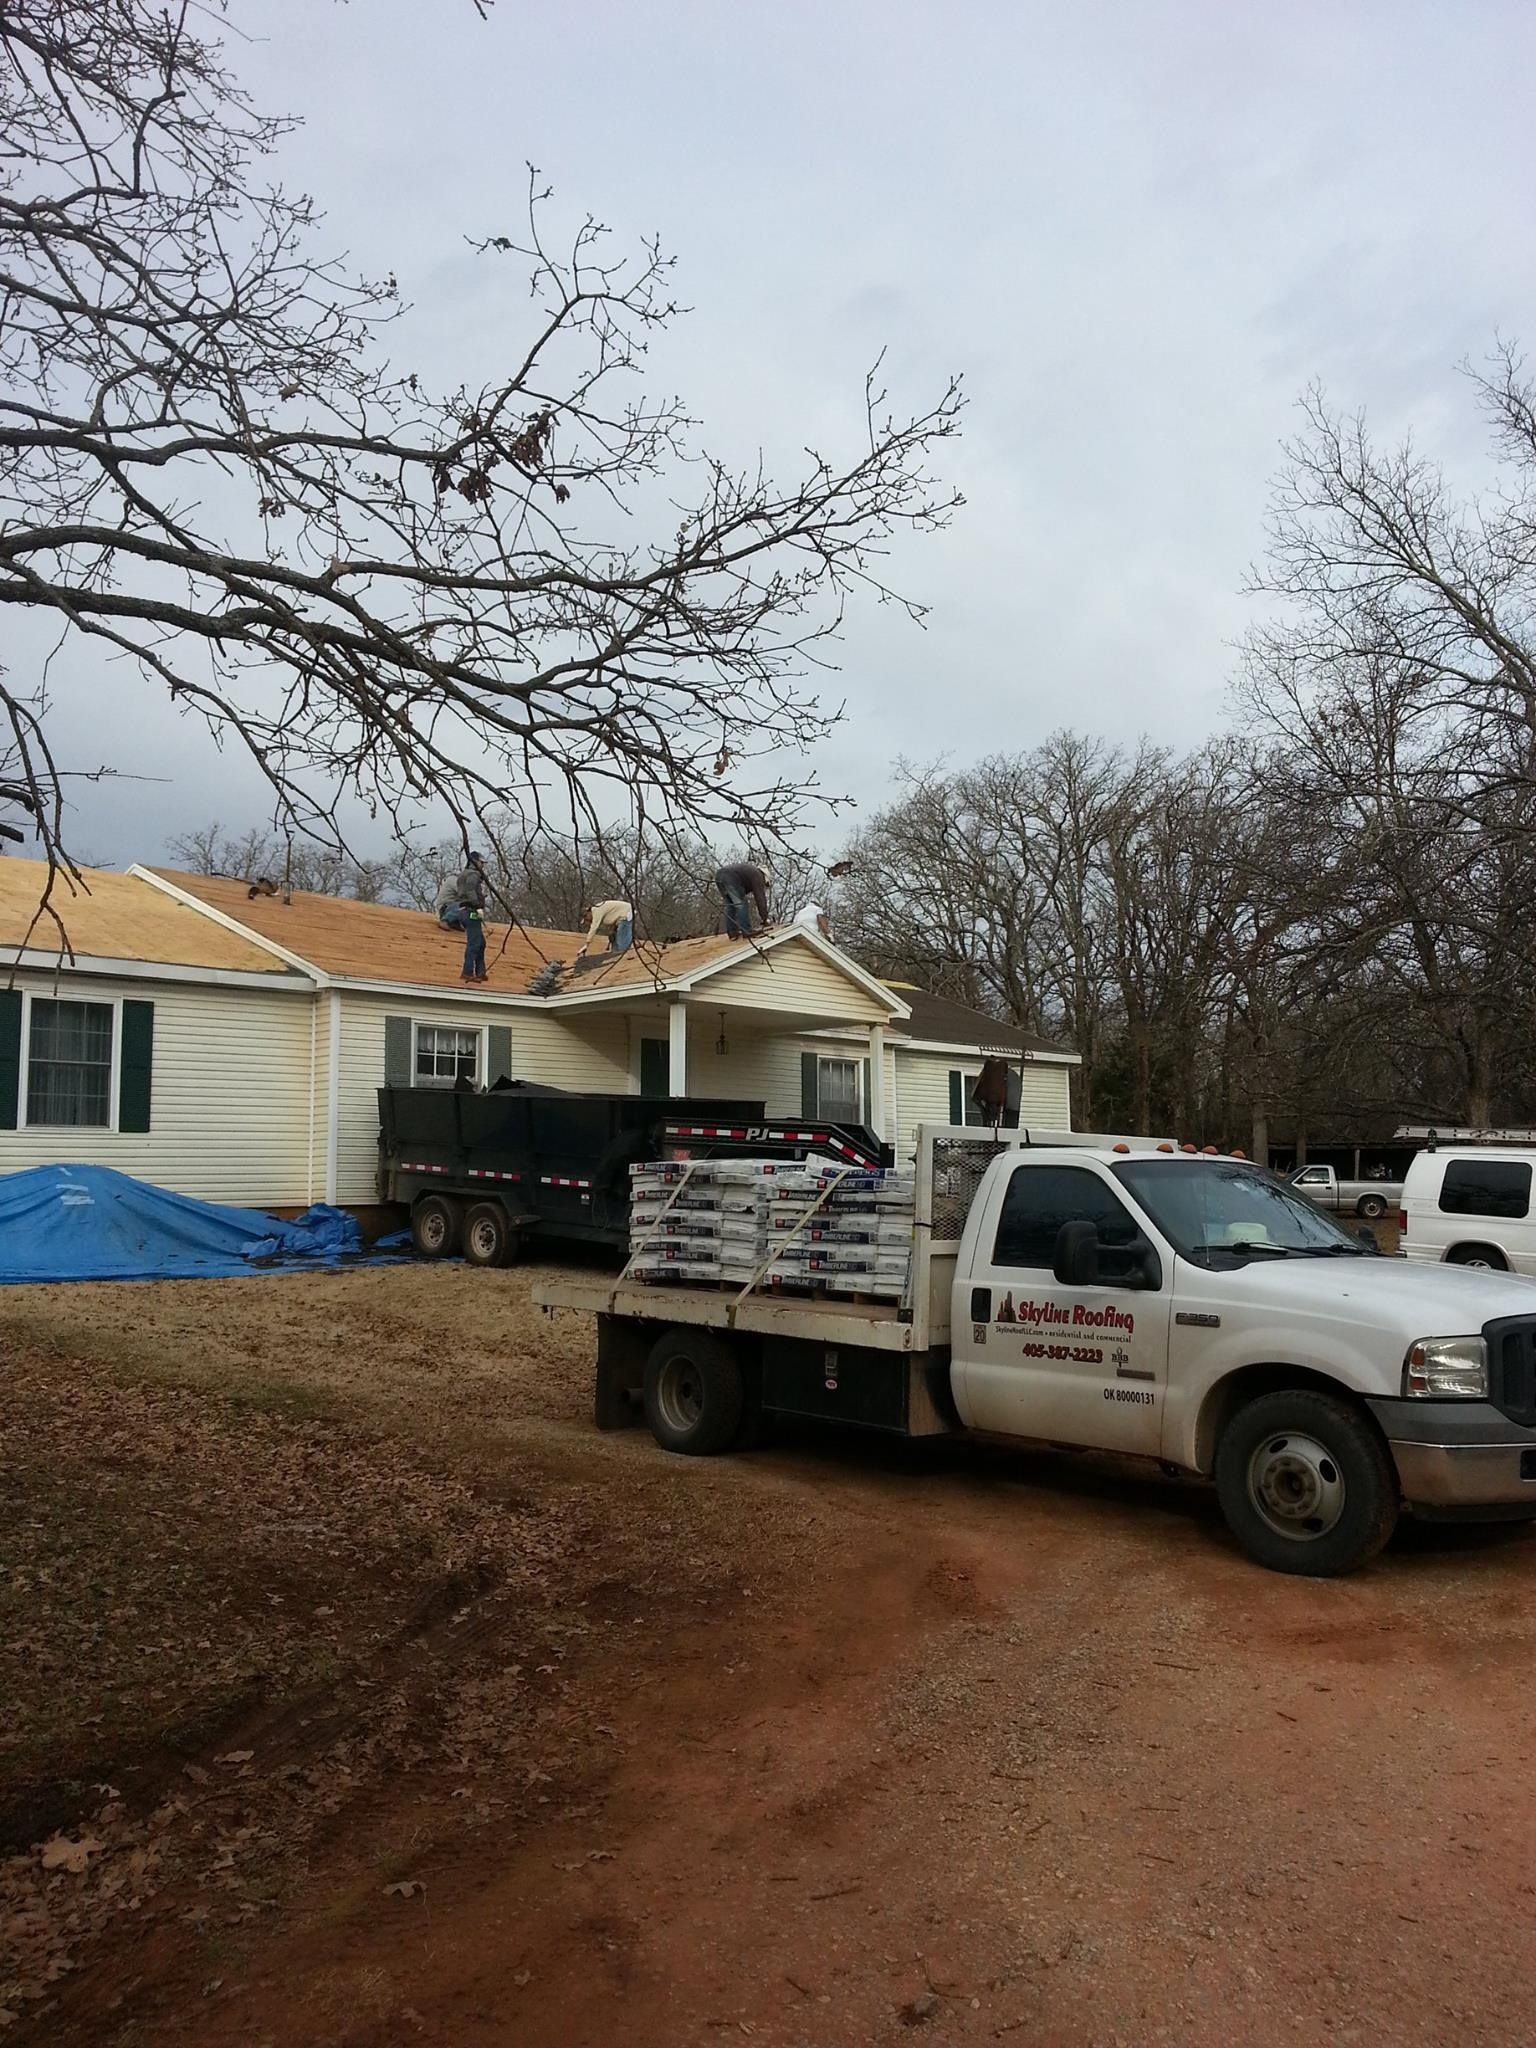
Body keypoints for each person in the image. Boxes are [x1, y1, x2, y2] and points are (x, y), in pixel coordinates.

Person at [714, 860, 769, 938]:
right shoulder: (758, 876)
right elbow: (760, 898)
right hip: (731, 878)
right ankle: (747, 931)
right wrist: (765, 918)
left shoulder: (751, 872)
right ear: (765, 878)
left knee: (731, 905)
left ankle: (732, 931)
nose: (763, 886)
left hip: (719, 875)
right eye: (765, 884)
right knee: (741, 904)